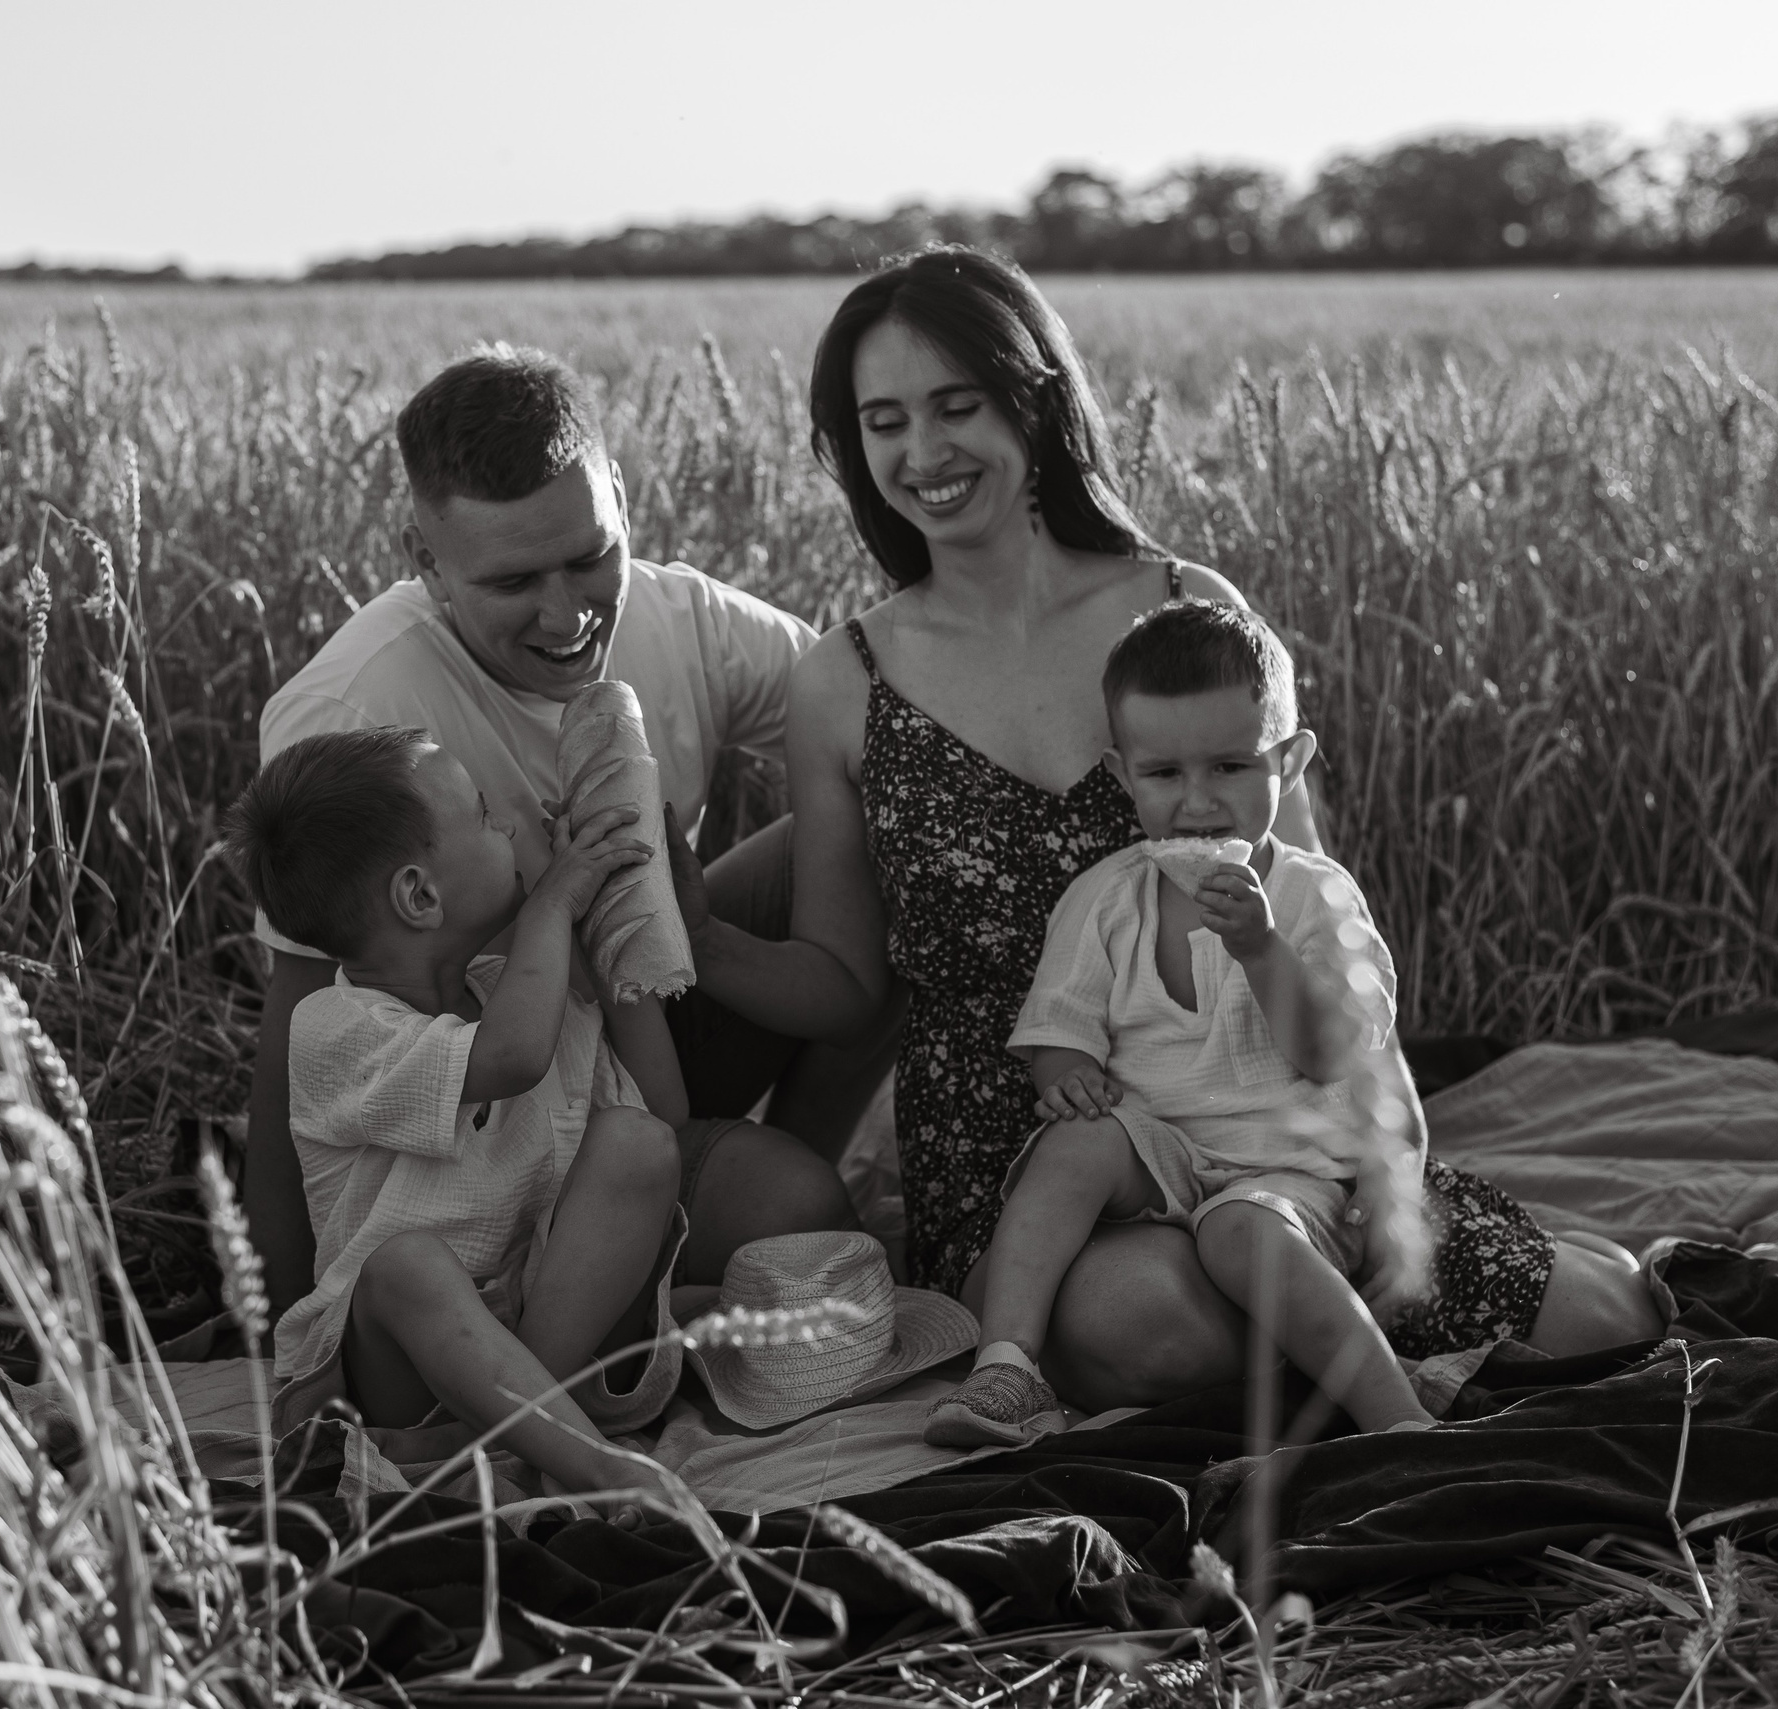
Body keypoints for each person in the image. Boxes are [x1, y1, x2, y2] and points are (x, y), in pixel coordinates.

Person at [673, 245, 1661, 1415]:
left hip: (1250, 1102)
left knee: (1600, 1318)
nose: (922, 453)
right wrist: (692, 926)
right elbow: (844, 984)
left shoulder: (1189, 612)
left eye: (955, 405)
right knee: (1144, 1329)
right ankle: (1354, 1370)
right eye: (883, 421)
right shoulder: (845, 678)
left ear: (1033, 401)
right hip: (1038, 1140)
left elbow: (1308, 900)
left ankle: (1389, 1317)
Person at [245, 346, 887, 1331]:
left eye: (589, 555)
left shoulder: (690, 623)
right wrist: (283, 1323)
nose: (568, 612)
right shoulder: (353, 705)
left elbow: (903, 739)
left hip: (637, 1044)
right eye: (511, 581)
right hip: (471, 1129)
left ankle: (749, 1196)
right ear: (424, 561)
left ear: (620, 498)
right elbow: (294, 1034)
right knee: (769, 1216)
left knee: (895, 828)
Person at [929, 601, 1436, 1445]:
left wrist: (1261, 947)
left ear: (1291, 761)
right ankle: (1005, 1369)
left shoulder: (1317, 898)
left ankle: (1395, 1415)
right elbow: (1057, 1033)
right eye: (1163, 774)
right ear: (1122, 776)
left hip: (1285, 1162)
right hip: (1155, 1145)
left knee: (1245, 1232)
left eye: (1231, 767)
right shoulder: (1105, 898)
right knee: (1075, 1144)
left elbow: (1329, 1053)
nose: (1198, 803)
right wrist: (1066, 1080)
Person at [227, 726, 683, 1503]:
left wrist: (610, 924)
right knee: (407, 1264)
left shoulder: (511, 988)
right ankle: (595, 1466)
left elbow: (667, 1113)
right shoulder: (334, 1027)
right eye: (483, 815)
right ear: (419, 895)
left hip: (542, 1336)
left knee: (639, 1145)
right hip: (390, 1370)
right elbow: (510, 1056)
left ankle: (519, 1427)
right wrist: (553, 900)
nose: (508, 827)